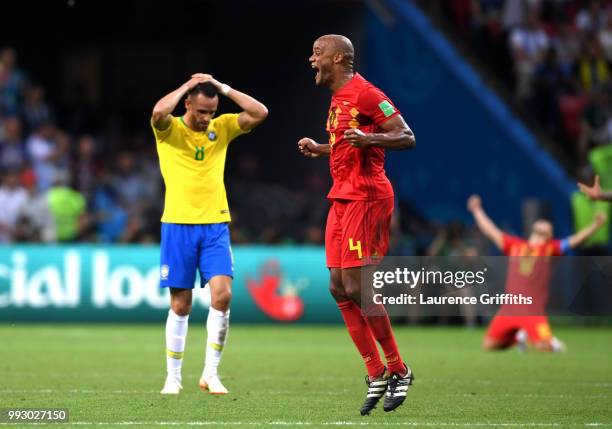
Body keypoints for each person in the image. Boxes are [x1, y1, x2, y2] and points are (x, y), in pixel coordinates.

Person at [298, 35, 416, 414]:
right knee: (337, 286)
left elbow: (406, 136)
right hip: (342, 196)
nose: (311, 59)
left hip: (367, 197)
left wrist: (369, 138)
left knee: (356, 285)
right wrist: (323, 148)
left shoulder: (366, 93)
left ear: (337, 57)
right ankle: (376, 371)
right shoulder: (338, 98)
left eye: (317, 53)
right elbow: (349, 140)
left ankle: (399, 369)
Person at [151, 74, 267, 395]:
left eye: (211, 112)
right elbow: (159, 113)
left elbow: (260, 113)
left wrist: (223, 88)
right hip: (177, 224)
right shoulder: (170, 130)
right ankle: (173, 377)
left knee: (223, 296)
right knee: (181, 303)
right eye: (201, 111)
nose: (206, 119)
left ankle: (210, 374)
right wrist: (186, 86)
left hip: (215, 225)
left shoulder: (223, 127)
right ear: (188, 103)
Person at [467, 195, 606, 352]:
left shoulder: (550, 249)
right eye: (540, 222)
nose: (542, 222)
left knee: (544, 347)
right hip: (509, 309)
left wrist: (595, 226)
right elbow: (491, 231)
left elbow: (575, 241)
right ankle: (520, 335)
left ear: (550, 233)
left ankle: (548, 342)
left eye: (547, 224)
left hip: (532, 311)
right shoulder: (516, 245)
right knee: (489, 345)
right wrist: (477, 210)